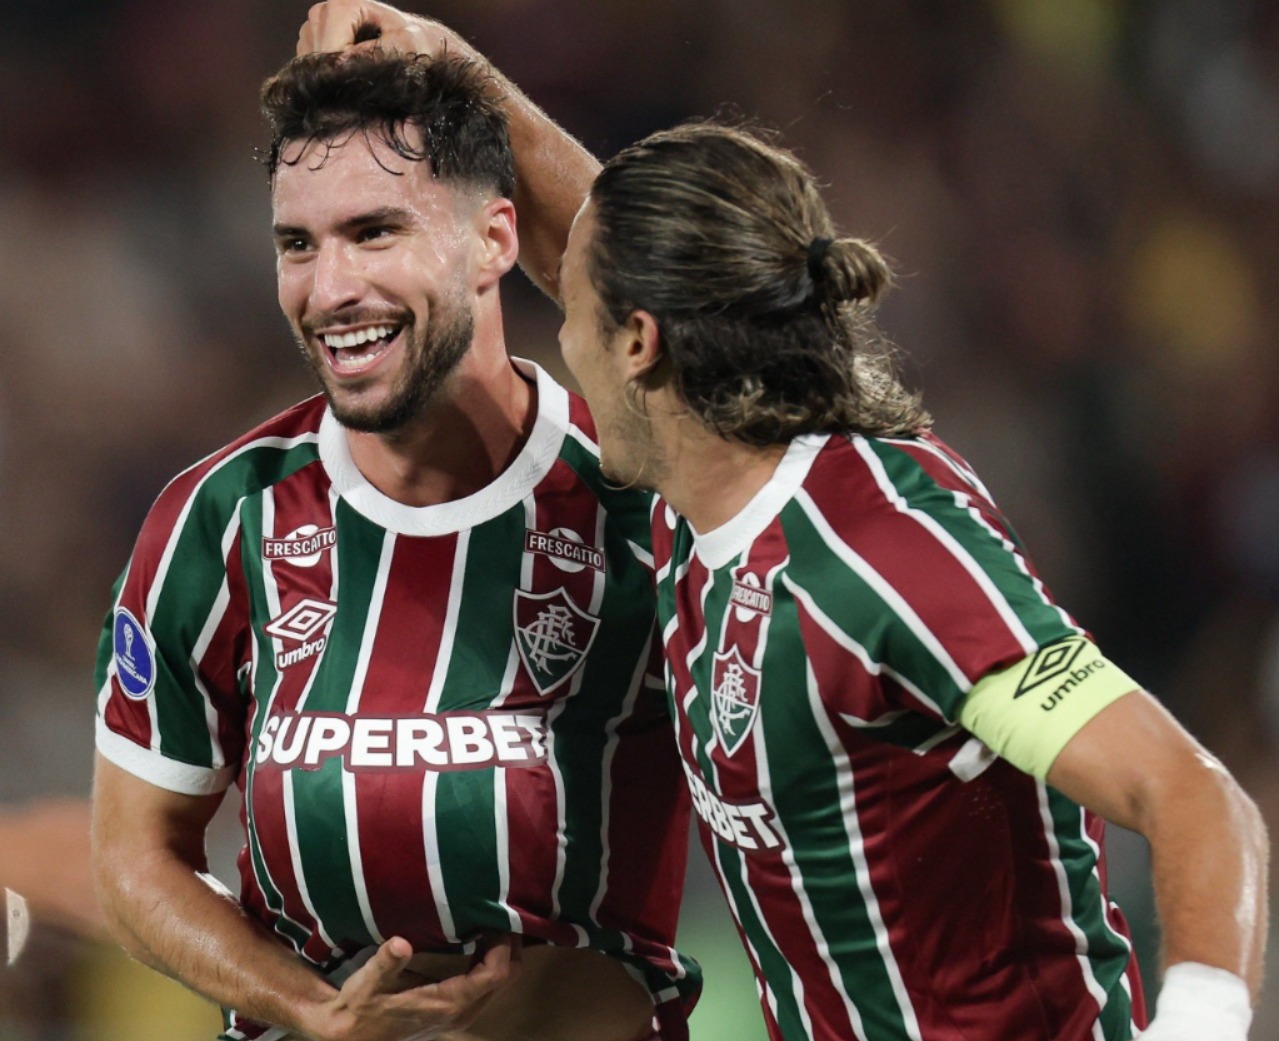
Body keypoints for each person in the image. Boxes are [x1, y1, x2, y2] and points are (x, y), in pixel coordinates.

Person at [300, 4, 1269, 1039]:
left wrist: (1197, 1026)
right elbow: (594, 234)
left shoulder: (878, 559)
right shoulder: (698, 487)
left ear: (638, 342)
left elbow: (1193, 796)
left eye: (571, 317)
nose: (558, 344)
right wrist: (446, 68)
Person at [89, 28, 700, 1041]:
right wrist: (311, 1010)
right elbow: (135, 856)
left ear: (496, 242)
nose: (329, 292)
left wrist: (459, 62)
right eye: (298, 244)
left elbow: (691, 314)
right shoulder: (220, 519)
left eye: (374, 232)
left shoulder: (642, 504)